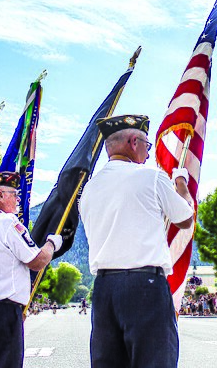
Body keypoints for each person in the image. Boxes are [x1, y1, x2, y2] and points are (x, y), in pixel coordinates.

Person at [79, 115, 194, 368]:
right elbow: (185, 218)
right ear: (133, 141)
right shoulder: (150, 177)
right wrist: (181, 183)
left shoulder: (88, 189)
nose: (148, 153)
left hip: (104, 289)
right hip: (145, 285)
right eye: (146, 145)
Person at [0, 171, 60, 368]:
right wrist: (51, 244)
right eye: (14, 194)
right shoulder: (7, 223)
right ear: (0, 195)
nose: (17, 200)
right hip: (1, 312)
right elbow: (36, 261)